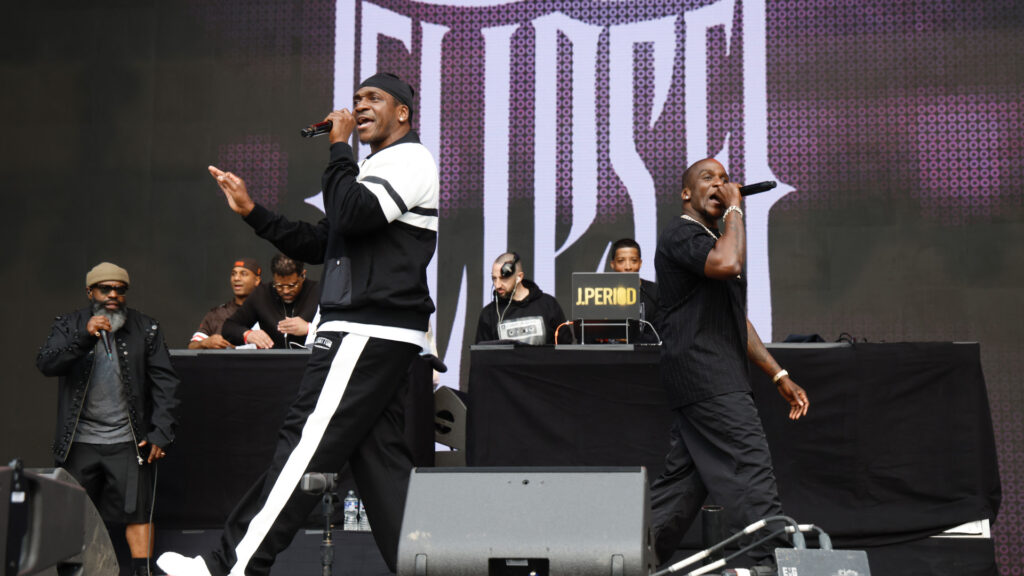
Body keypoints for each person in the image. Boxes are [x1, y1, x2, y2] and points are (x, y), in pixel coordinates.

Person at [157, 72, 438, 576]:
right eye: (356, 99)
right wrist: (251, 212)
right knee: (383, 468)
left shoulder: (410, 159)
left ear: (403, 113)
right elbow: (318, 242)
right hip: (372, 331)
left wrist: (337, 146)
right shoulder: (372, 171)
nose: (360, 106)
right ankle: (429, 568)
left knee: (304, 448)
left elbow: (351, 215)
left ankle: (229, 567)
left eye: (374, 98)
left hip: (366, 331)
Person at [650, 158, 809, 570]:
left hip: (703, 378)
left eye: (725, 179)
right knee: (750, 468)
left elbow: (736, 319)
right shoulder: (682, 232)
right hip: (707, 375)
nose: (719, 185)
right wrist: (736, 206)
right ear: (686, 194)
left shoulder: (712, 240)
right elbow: (729, 263)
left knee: (681, 488)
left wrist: (778, 373)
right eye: (708, 179)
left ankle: (628, 559)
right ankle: (768, 565)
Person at [36, 262, 180, 576]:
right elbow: (47, 364)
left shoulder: (146, 327)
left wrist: (161, 432)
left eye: (120, 289)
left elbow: (166, 382)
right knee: (71, 514)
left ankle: (142, 572)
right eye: (106, 289)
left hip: (129, 440)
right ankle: (70, 571)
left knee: (138, 514)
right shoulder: (69, 324)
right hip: (80, 441)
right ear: (90, 291)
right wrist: (83, 338)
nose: (113, 295)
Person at [220, 254, 319, 349]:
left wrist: (310, 329)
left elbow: (334, 329)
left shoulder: (319, 292)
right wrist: (247, 335)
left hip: (311, 361)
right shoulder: (262, 294)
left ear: (303, 275)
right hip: (273, 362)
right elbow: (229, 327)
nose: (286, 291)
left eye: (292, 285)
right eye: (279, 285)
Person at [474, 252, 570, 345]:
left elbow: (566, 349)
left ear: (519, 277)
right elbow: (481, 356)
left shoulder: (548, 305)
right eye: (494, 278)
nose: (497, 285)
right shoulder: (489, 314)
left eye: (503, 278)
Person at [188, 258, 262, 349]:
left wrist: (234, 349)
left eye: (243, 274)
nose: (236, 278)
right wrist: (205, 343)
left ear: (257, 280)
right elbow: (191, 347)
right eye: (233, 274)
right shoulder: (217, 314)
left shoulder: (268, 311)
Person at [608, 237, 662, 342]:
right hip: (607, 356)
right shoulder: (599, 292)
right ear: (612, 264)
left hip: (644, 356)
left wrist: (633, 339)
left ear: (640, 263)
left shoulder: (654, 292)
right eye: (621, 261)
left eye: (633, 261)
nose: (628, 267)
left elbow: (663, 334)